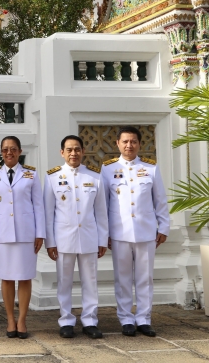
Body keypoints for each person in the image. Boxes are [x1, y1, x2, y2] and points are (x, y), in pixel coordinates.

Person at [101, 126, 169, 337]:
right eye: (125, 141)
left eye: (133, 142)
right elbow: (103, 205)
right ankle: (126, 319)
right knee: (122, 279)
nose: (129, 145)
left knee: (145, 278)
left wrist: (163, 226)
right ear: (117, 144)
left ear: (139, 144)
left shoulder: (150, 168)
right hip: (119, 232)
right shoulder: (107, 169)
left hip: (146, 231)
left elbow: (160, 200)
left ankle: (144, 318)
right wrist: (105, 233)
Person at [44, 135, 108, 339]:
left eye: (77, 149)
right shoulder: (52, 177)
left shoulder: (95, 176)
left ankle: (90, 321)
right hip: (63, 238)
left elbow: (101, 212)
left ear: (83, 151)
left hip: (89, 236)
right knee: (64, 282)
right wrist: (50, 242)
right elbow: (48, 213)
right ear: (62, 152)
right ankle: (66, 320)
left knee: (90, 281)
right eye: (69, 150)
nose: (74, 153)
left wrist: (102, 239)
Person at [0, 135, 44, 339]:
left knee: (25, 277)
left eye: (13, 149)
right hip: (2, 233)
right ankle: (10, 319)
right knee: (7, 277)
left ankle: (22, 320)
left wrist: (40, 233)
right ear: (1, 153)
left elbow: (38, 206)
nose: (9, 153)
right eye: (5, 149)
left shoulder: (31, 174)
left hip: (26, 233)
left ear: (19, 151)